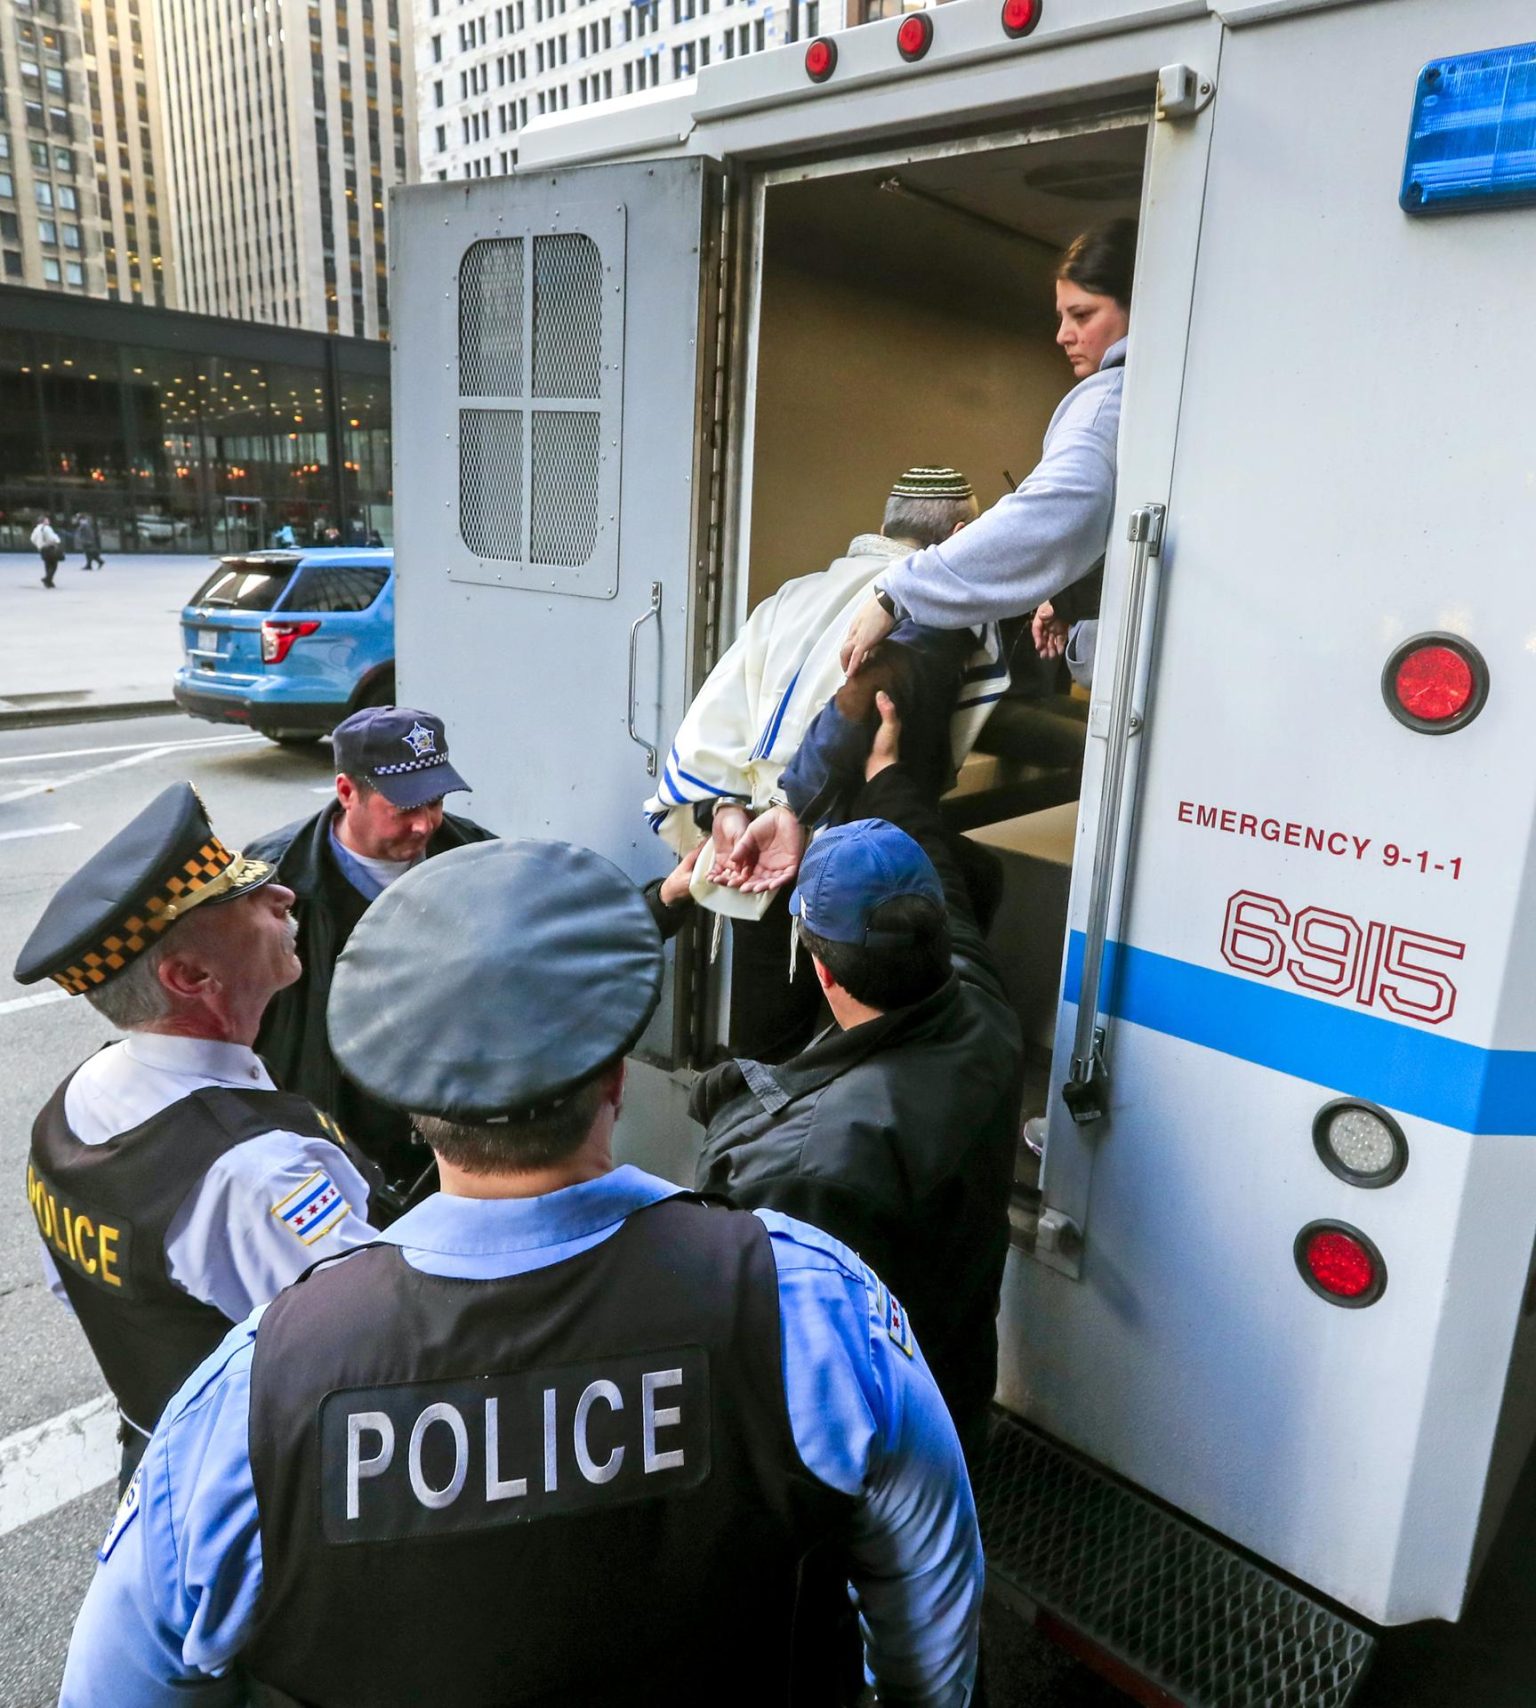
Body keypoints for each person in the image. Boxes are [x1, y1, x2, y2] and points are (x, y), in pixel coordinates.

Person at [60, 836, 983, 1707]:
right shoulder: (811, 1303)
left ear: (412, 1100)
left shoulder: (251, 1397)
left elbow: (122, 1678)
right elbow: (930, 1604)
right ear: (616, 1074)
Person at [661, 694, 1023, 1472]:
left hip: (869, 1451)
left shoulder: (814, 1160)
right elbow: (931, 854)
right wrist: (888, 769)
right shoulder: (980, 1002)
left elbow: (779, 1364)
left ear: (819, 969)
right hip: (953, 1392)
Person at [13, 783, 380, 1492]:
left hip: (159, 1463)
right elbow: (370, 1364)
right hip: (252, 1492)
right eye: (247, 898)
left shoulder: (77, 1100)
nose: (283, 898)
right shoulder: (257, 1172)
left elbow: (81, 1288)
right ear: (190, 976)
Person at [644, 465, 1009, 1060]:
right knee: (858, 1040)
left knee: (763, 1045)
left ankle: (740, 1142)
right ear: (963, 531)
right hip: (842, 854)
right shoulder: (932, 604)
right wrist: (794, 805)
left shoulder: (796, 593)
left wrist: (725, 808)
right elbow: (864, 701)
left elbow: (720, 711)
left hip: (747, 847)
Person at [840, 218, 1137, 673]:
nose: (1063, 335)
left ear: (1139, 305)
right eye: (1062, 317)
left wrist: (897, 593)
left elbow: (1056, 510)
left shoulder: (1106, 401)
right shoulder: (1167, 400)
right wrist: (1073, 596)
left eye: (1082, 315)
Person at [247, 706, 495, 1208]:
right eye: (404, 808)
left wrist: (661, 900)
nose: (425, 825)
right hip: (333, 1140)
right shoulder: (273, 880)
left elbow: (544, 936)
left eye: (436, 802)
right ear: (346, 792)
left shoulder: (473, 855)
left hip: (451, 1133)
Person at [30, 513, 63, 587]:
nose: (48, 521)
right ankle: (47, 579)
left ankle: (48, 582)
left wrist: (38, 544)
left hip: (42, 549)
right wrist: (57, 541)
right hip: (49, 547)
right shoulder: (46, 528)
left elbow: (32, 539)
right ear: (44, 521)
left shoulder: (36, 529)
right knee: (54, 565)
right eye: (47, 520)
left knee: (47, 564)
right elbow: (52, 538)